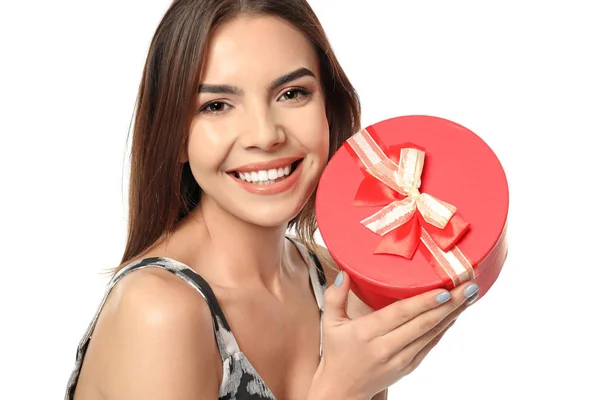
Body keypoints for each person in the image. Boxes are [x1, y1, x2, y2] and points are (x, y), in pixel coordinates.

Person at [65, 1, 480, 399]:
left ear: (328, 111)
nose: (265, 135)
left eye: (292, 94)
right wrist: (344, 388)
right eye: (216, 105)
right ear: (174, 137)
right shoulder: (158, 312)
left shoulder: (333, 279)